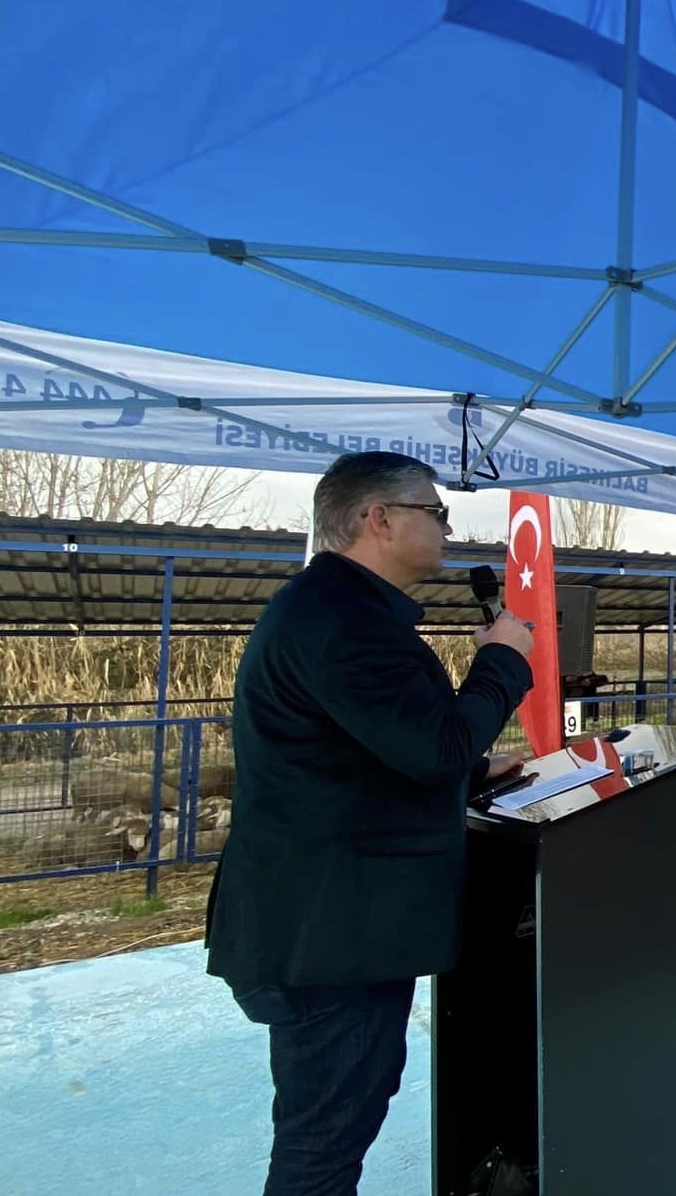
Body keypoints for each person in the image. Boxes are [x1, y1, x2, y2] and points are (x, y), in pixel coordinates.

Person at [206, 452, 535, 1196]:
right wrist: (502, 662)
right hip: (330, 936)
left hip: (325, 926)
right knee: (324, 1142)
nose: (448, 529)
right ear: (378, 518)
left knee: (335, 1121)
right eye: (436, 512)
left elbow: (358, 754)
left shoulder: (330, 609)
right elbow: (436, 746)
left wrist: (476, 772)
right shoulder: (347, 623)